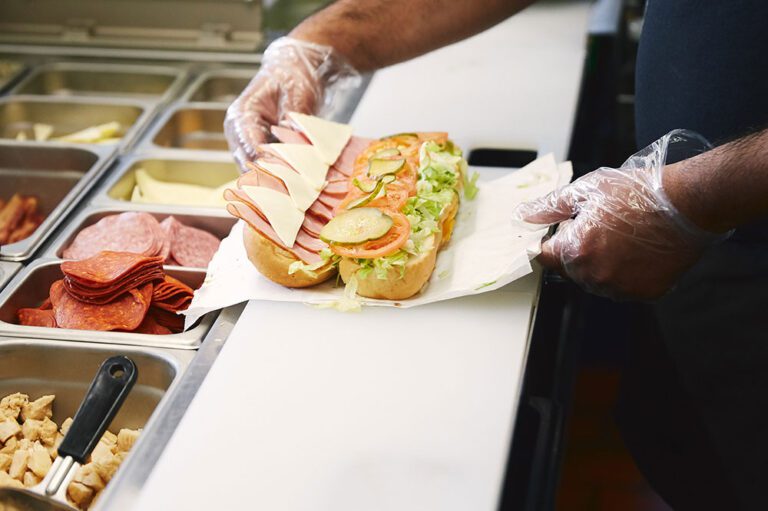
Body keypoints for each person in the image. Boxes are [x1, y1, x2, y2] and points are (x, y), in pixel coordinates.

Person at [224, 1, 768, 508]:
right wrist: (324, 41)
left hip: (745, 257)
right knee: (694, 459)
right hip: (697, 252)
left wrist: (696, 194)